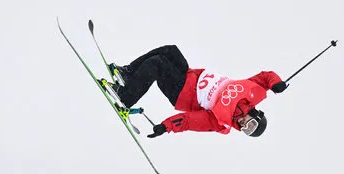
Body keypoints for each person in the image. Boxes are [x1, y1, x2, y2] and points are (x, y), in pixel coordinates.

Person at [98, 45, 288, 138]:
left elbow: (190, 121)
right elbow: (266, 76)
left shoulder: (221, 121)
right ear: (256, 115)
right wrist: (276, 84)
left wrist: (166, 126)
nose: (244, 126)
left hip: (182, 92)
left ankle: (125, 97)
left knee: (158, 64)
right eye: (251, 125)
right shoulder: (252, 92)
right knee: (170, 51)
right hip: (190, 76)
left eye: (247, 130)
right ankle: (128, 73)